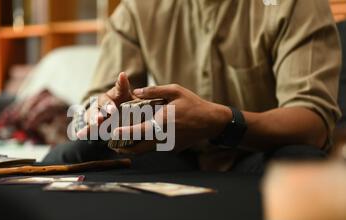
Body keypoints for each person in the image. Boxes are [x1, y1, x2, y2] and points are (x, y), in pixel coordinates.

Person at [43, 0, 341, 174]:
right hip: (171, 157)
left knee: (303, 162)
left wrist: (222, 123)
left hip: (256, 157)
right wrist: (102, 114)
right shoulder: (137, 9)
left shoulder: (294, 5)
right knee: (79, 151)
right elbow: (92, 106)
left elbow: (312, 125)